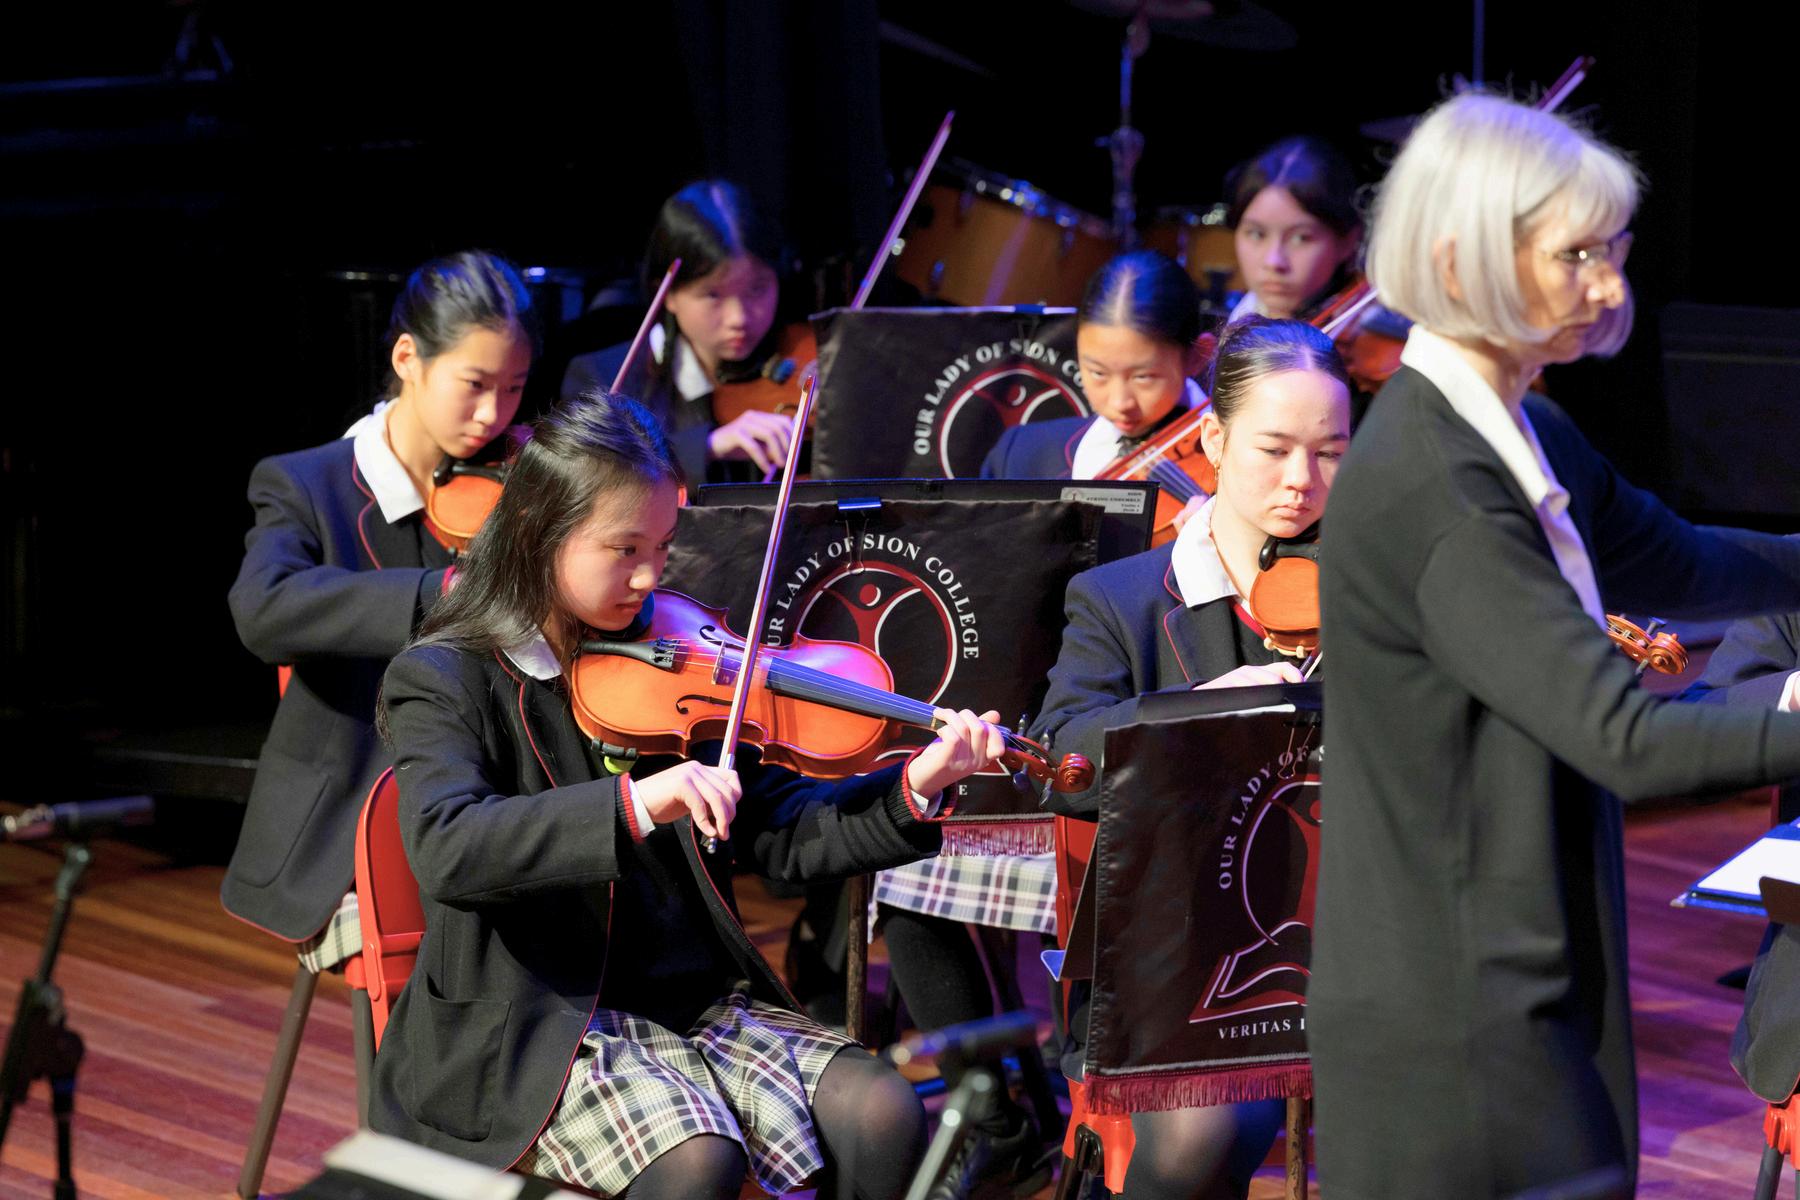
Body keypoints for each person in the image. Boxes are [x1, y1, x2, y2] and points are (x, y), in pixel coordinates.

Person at [1308, 91, 1800, 1199]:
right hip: (1448, 1000)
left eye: (1612, 252)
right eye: (1577, 255)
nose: (1610, 287)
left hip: (1523, 945)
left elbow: (1678, 562)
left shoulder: (1522, 422)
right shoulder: (1436, 483)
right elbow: (1624, 739)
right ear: (1460, 256)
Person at [370, 393, 1011, 1200]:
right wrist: (639, 803)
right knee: (697, 1159)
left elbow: (781, 830)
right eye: (623, 549)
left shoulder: (668, 656)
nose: (649, 577)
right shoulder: (444, 676)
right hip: (534, 1027)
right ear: (536, 529)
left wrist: (912, 787)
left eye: (663, 546)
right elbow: (448, 845)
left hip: (689, 1003)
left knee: (883, 1110)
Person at [1030, 315, 1352, 1200]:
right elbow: (1058, 758)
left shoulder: (1375, 591)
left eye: (1331, 452)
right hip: (1181, 958)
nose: (1302, 480)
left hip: (1351, 936)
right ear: (1212, 440)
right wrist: (1192, 713)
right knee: (1198, 1135)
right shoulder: (1122, 596)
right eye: (1274, 449)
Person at [224, 250, 537, 970]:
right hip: (357, 824)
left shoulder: (520, 477)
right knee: (485, 952)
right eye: (475, 385)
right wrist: (436, 594)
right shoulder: (308, 484)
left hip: (494, 803)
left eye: (515, 389)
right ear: (407, 359)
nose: (494, 415)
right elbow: (263, 609)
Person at [561, 180, 800, 482]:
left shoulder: (797, 358)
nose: (739, 318)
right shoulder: (602, 377)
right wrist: (706, 447)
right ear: (667, 293)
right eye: (713, 295)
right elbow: (589, 479)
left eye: (757, 289)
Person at [981, 249, 1209, 481]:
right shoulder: (1020, 457)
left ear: (1197, 357)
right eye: (1098, 373)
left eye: (1143, 377)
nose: (1120, 402)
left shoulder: (1223, 459)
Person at [1222, 135, 1362, 324]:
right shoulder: (1247, 311)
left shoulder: (1364, 327)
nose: (1274, 262)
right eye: (1256, 234)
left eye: (1301, 238)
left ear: (1348, 242)